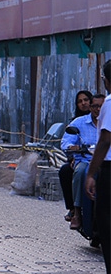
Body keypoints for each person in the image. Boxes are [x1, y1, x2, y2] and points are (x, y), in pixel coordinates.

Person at [61, 94, 104, 230]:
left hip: (106, 162)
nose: (98, 109)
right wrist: (73, 148)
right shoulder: (79, 123)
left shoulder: (108, 122)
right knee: (80, 172)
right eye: (95, 106)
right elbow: (66, 142)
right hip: (86, 160)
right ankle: (77, 212)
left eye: (101, 106)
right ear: (90, 107)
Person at [86, 60, 111, 274]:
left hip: (110, 170)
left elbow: (104, 141)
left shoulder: (110, 103)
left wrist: (91, 173)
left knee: (107, 223)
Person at [59, 90, 92, 222]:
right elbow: (67, 143)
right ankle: (74, 209)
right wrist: (72, 156)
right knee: (66, 171)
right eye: (80, 101)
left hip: (101, 160)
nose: (83, 103)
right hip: (81, 159)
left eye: (86, 100)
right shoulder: (76, 123)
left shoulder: (104, 121)